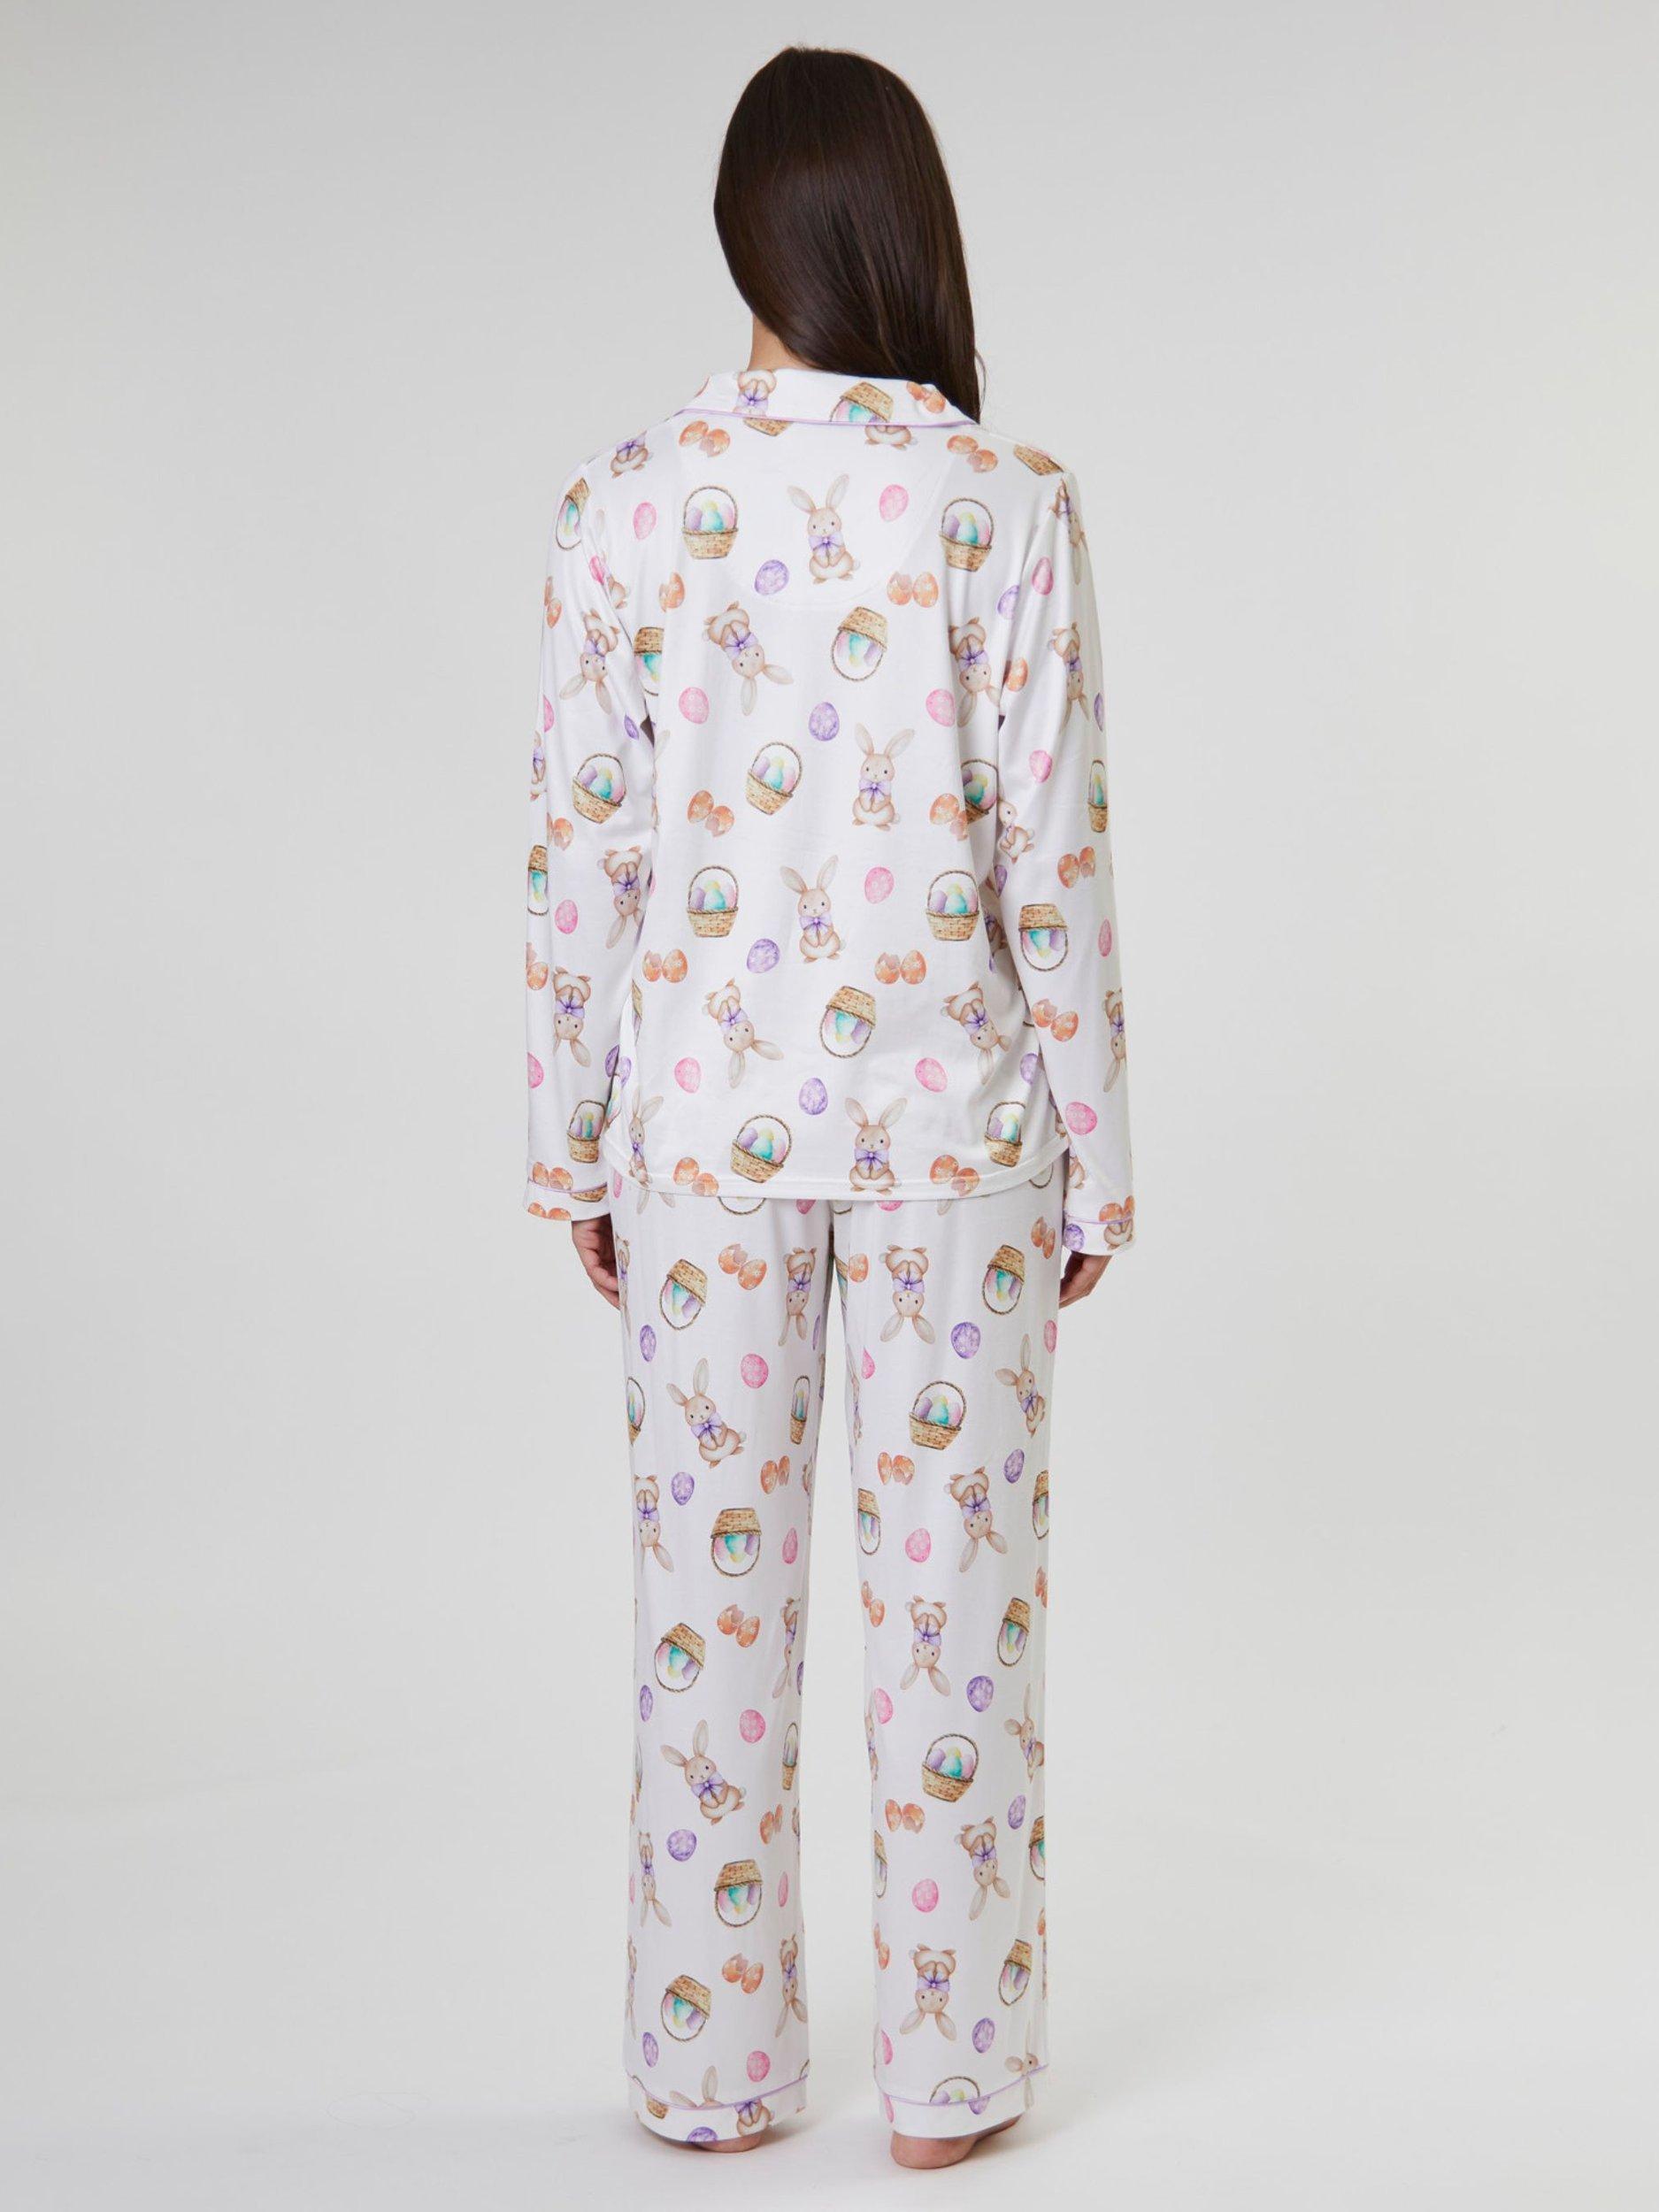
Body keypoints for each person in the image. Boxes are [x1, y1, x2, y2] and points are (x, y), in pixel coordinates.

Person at [524, 44, 1133, 2170]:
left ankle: (708, 2073)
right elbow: (1052, 854)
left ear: (738, 234)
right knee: (957, 1616)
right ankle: (951, 2084)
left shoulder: (621, 501)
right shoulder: (1001, 501)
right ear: (902, 230)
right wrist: (1096, 1159)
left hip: (698, 1134)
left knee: (704, 1620)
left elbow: (581, 856)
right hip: (957, 1141)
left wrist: (569, 1141)